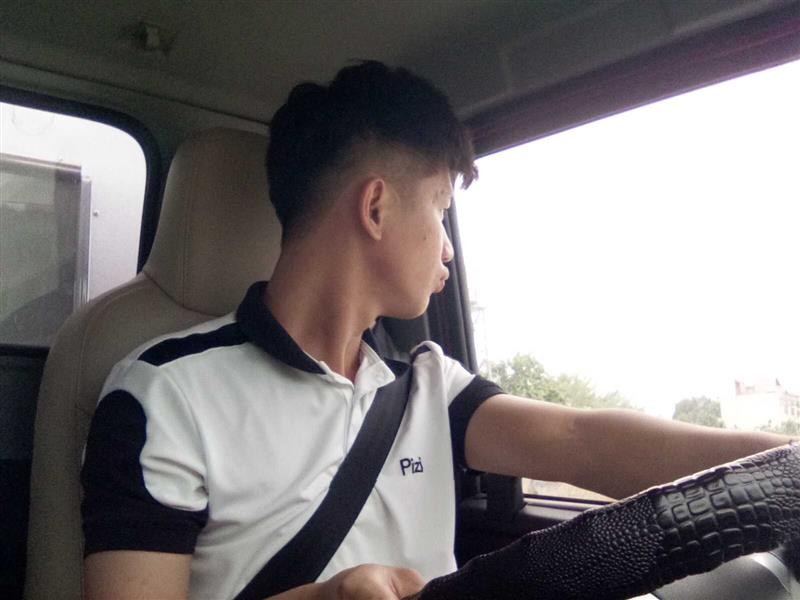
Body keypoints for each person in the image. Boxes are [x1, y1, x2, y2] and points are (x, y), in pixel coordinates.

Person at [81, 61, 792, 600]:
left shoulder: (426, 384)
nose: (448, 248)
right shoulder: (162, 394)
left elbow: (582, 439)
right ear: (376, 207)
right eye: (440, 208)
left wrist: (787, 467)